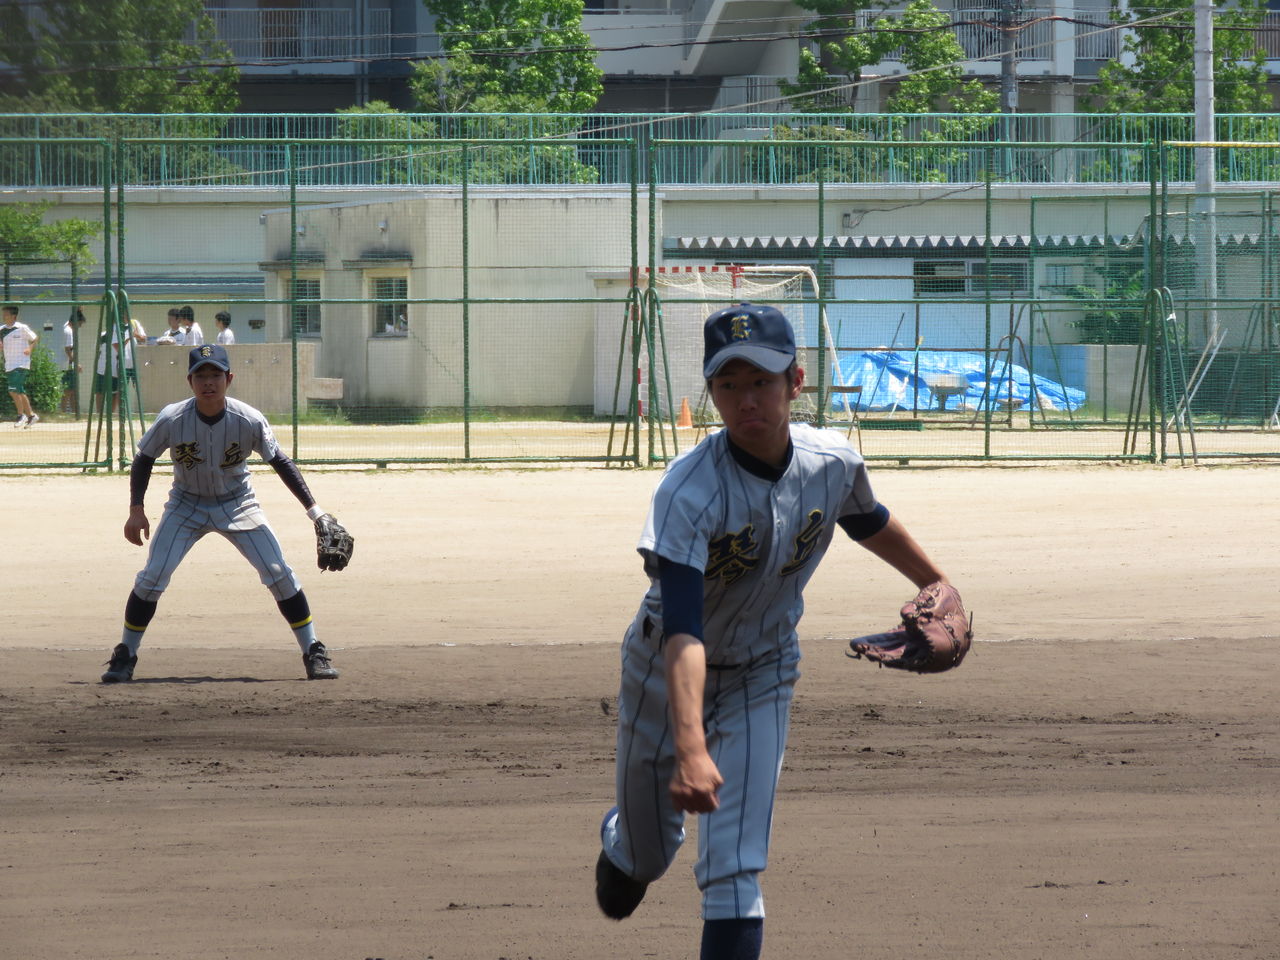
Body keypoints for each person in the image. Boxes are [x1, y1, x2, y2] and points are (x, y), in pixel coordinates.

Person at [594, 303, 958, 960]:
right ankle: (628, 843)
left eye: (760, 381)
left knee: (733, 865)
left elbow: (868, 520)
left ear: (796, 381)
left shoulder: (831, 462)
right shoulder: (688, 492)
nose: (745, 401)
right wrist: (692, 746)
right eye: (727, 386)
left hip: (765, 671)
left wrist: (940, 585)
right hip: (662, 673)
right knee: (644, 863)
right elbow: (683, 627)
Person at [101, 343, 342, 684]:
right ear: (190, 381)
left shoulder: (248, 419)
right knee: (153, 576)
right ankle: (125, 654)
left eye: (215, 374)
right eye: (201, 375)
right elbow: (144, 458)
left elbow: (280, 462)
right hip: (186, 505)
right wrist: (136, 509)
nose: (208, 382)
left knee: (279, 573)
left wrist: (315, 512)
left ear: (229, 378)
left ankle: (313, 650)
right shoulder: (172, 418)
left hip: (237, 503)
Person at [1, 303, 40, 428]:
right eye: (3, 314)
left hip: (22, 363)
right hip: (9, 364)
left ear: (14, 316)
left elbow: (34, 338)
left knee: (13, 390)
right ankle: (31, 416)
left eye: (6, 314)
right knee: (18, 390)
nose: (4, 316)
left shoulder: (22, 328)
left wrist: (29, 348)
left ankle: (20, 415)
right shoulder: (1, 329)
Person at [61, 308, 86, 414]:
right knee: (68, 390)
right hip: (68, 366)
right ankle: (63, 412)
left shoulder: (65, 327)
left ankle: (73, 412)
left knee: (73, 390)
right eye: (79, 324)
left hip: (68, 365)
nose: (80, 326)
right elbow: (68, 350)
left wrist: (78, 311)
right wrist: (76, 364)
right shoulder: (69, 332)